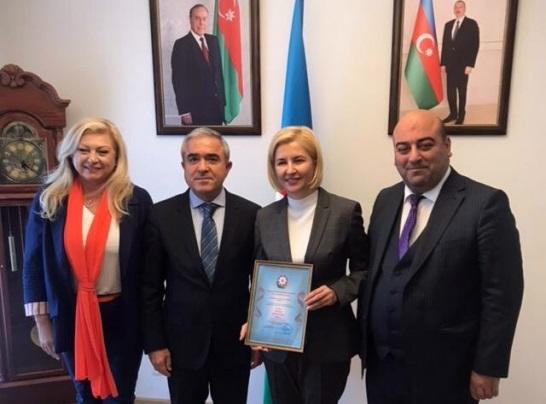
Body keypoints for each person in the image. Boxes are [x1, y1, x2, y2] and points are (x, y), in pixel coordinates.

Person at [358, 110, 523, 404]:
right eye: (403, 148)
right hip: (383, 369)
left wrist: (488, 367)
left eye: (425, 145)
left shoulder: (485, 204)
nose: (414, 156)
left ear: (447, 146)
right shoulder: (385, 200)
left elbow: (502, 294)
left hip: (448, 371)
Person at [22, 118, 153, 403]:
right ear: (70, 153)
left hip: (123, 316)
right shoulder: (50, 199)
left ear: (116, 157)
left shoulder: (135, 200)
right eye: (84, 150)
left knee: (120, 395)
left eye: (102, 151)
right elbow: (32, 264)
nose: (93, 158)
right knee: (84, 394)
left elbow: (148, 270)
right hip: (70, 314)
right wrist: (42, 322)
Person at [141, 127, 260, 404]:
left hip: (235, 344)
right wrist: (155, 344)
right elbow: (149, 288)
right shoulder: (160, 216)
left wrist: (258, 334)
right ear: (183, 166)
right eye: (193, 159)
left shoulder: (253, 215)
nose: (202, 167)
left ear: (227, 167)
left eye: (212, 158)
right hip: (180, 346)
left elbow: (260, 282)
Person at [251, 126, 369, 404]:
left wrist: (337, 292)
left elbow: (365, 270)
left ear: (315, 163)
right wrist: (256, 327)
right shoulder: (264, 217)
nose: (290, 170)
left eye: (299, 160)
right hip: (278, 344)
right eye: (282, 162)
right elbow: (259, 278)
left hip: (327, 341)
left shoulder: (344, 211)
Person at [171, 3, 225, 126]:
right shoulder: (181, 45)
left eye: (204, 19)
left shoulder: (214, 41)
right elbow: (178, 81)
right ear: (190, 19)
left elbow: (218, 73)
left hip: (217, 108)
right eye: (197, 18)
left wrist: (223, 103)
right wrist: (184, 111)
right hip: (195, 112)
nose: (201, 23)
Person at [441, 0, 480, 125]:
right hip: (450, 65)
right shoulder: (448, 25)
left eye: (460, 7)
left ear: (464, 9)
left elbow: (475, 45)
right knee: (450, 92)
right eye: (456, 7)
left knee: (462, 91)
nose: (458, 9)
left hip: (463, 65)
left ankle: (461, 115)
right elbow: (445, 45)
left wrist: (470, 64)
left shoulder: (471, 24)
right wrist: (443, 63)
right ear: (454, 9)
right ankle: (453, 114)